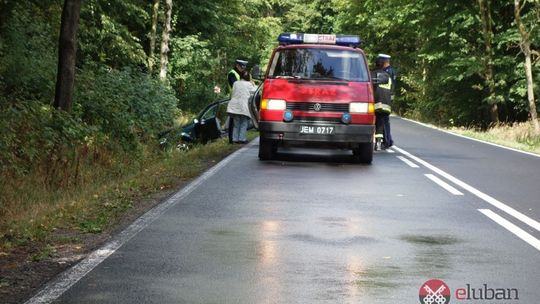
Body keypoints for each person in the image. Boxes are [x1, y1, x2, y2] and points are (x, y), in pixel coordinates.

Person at [227, 70, 255, 144]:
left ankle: (234, 139)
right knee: (243, 123)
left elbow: (232, 93)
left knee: (236, 124)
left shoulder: (235, 83)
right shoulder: (249, 84)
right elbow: (254, 93)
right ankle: (241, 139)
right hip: (244, 106)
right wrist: (253, 84)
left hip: (235, 106)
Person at [371, 55, 393, 150]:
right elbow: (392, 91)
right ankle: (383, 142)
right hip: (387, 104)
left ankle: (377, 142)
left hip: (376, 103)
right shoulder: (388, 76)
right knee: (382, 122)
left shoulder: (372, 74)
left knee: (374, 122)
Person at [226, 59, 248, 143]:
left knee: (237, 121)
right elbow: (236, 85)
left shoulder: (239, 74)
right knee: (234, 121)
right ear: (237, 66)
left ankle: (238, 139)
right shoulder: (232, 74)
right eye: (242, 67)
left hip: (239, 99)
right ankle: (232, 140)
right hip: (235, 99)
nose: (243, 69)